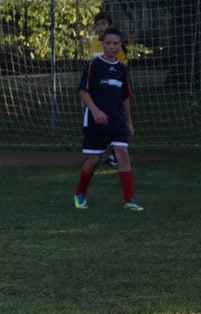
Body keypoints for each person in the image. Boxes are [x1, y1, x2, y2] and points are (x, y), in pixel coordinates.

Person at [73, 28, 143, 212]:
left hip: (117, 120)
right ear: (103, 44)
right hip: (96, 119)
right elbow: (83, 91)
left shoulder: (122, 69)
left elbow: (125, 97)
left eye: (116, 43)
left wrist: (129, 122)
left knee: (122, 153)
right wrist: (95, 111)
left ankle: (130, 200)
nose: (112, 47)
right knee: (95, 159)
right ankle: (80, 193)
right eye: (108, 43)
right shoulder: (94, 65)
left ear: (120, 46)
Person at [89, 11, 128, 167]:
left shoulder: (117, 47)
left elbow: (122, 68)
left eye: (104, 24)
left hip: (113, 91)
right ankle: (95, 154)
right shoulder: (94, 44)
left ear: (110, 26)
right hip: (97, 92)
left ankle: (115, 155)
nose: (100, 27)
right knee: (97, 120)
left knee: (115, 120)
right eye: (98, 24)